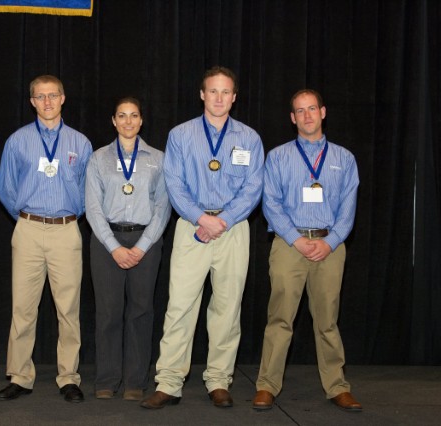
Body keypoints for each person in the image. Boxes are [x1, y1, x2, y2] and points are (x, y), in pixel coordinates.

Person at [141, 66, 264, 409]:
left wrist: (222, 220)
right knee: (180, 305)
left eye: (225, 92)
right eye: (213, 91)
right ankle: (169, 382)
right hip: (191, 227)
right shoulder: (181, 135)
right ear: (202, 95)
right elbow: (174, 183)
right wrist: (201, 218)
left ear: (234, 97)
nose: (219, 98)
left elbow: (253, 187)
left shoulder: (249, 138)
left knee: (227, 307)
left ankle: (219, 380)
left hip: (233, 228)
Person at [252, 89, 361, 412]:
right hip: (289, 245)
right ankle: (266, 386)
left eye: (312, 109)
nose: (307, 115)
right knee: (280, 319)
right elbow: (270, 204)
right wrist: (296, 240)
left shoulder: (344, 158)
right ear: (292, 118)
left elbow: (348, 209)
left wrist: (330, 241)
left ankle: (337, 386)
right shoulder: (278, 157)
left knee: (327, 321)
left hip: (330, 246)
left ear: (323, 112)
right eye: (300, 111)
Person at [0, 75, 92, 403]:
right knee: (23, 308)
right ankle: (20, 376)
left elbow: (88, 191)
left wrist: (68, 215)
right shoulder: (18, 141)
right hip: (29, 230)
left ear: (63, 98)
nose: (47, 102)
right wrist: (28, 218)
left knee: (68, 308)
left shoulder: (80, 143)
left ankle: (69, 377)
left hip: (66, 230)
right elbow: (5, 187)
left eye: (53, 95)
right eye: (40, 96)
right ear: (32, 101)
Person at [85, 97, 171, 401]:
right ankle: (107, 379)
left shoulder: (158, 159)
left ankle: (135, 381)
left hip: (145, 241)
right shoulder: (98, 158)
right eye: (122, 115)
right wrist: (113, 247)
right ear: (113, 121)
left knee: (141, 311)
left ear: (141, 120)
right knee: (108, 312)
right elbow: (93, 207)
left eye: (134, 115)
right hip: (106, 242)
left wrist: (143, 245)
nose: (128, 121)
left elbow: (163, 206)